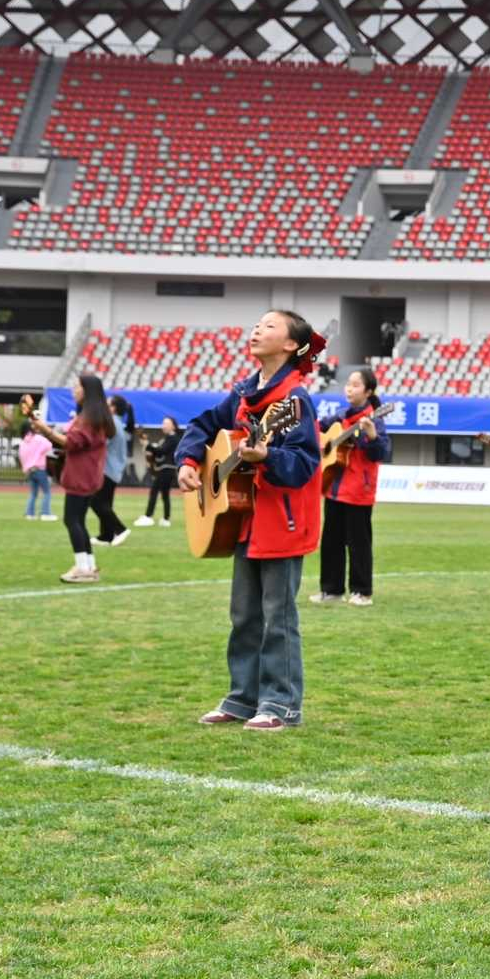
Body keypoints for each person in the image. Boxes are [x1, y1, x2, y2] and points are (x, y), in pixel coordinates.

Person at [175, 310, 324, 731]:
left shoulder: (294, 401)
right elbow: (204, 424)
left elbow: (304, 464)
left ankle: (281, 705)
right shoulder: (244, 393)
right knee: (244, 614)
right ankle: (243, 698)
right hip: (246, 520)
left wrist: (268, 456)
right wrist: (188, 460)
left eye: (269, 326)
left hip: (284, 521)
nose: (257, 329)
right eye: (257, 324)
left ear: (291, 345)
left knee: (278, 616)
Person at [23, 376, 114, 584]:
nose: (74, 390)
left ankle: (83, 568)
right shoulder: (94, 417)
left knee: (71, 519)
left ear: (87, 391)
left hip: (81, 476)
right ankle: (89, 566)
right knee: (78, 520)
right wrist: (45, 428)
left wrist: (44, 429)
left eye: (77, 387)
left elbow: (71, 442)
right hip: (88, 475)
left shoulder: (89, 419)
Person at [315, 368, 391, 607]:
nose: (349, 388)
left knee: (358, 544)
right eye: (348, 384)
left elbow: (383, 453)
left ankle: (362, 591)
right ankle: (331, 590)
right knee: (331, 542)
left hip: (359, 490)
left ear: (368, 391)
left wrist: (372, 437)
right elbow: (317, 429)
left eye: (356, 385)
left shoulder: (375, 419)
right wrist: (322, 443)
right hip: (335, 486)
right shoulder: (340, 416)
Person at [92, 394, 134, 546]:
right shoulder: (119, 425)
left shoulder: (111, 424)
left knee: (95, 501)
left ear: (113, 408)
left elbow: (99, 444)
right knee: (105, 503)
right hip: (114, 471)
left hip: (106, 469)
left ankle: (120, 529)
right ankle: (106, 536)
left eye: (107, 404)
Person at [135, 416, 181, 527]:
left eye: (166, 423)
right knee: (165, 495)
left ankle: (148, 516)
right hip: (165, 469)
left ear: (173, 426)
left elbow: (161, 451)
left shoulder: (173, 438)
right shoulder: (167, 438)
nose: (163, 425)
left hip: (167, 469)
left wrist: (148, 445)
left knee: (154, 491)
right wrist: (149, 446)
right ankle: (166, 519)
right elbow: (159, 452)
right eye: (163, 423)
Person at [20, 422, 54, 521]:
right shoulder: (38, 439)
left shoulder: (23, 442)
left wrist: (25, 468)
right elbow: (49, 445)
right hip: (39, 468)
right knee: (47, 492)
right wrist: (40, 452)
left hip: (29, 470)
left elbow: (22, 456)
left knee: (33, 493)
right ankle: (45, 513)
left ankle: (29, 513)